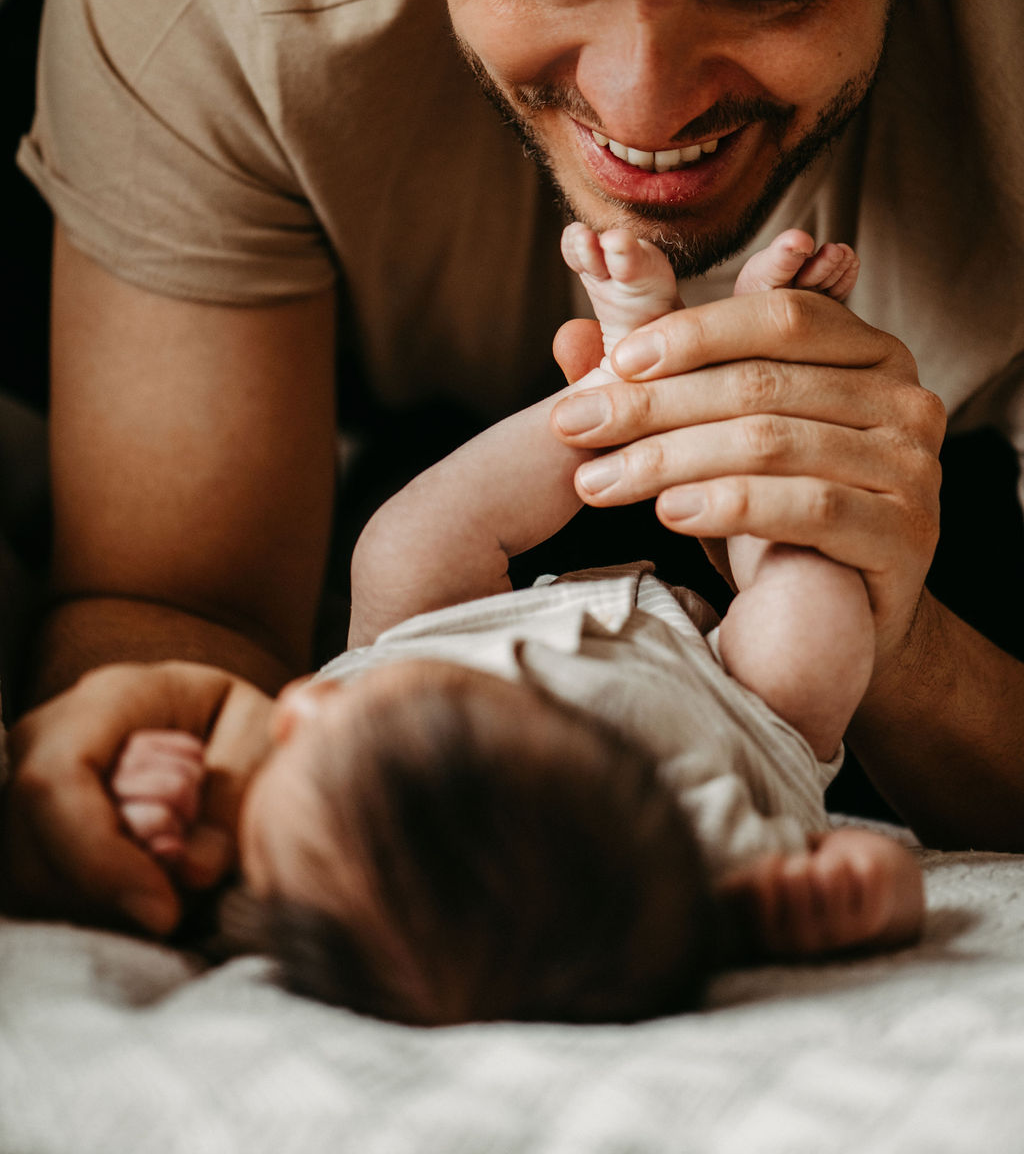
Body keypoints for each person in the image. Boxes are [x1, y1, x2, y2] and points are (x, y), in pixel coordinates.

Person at [3, 0, 1024, 933]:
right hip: (340, 377)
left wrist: (898, 626)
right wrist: (164, 744)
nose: (639, 107)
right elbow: (179, 597)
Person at [105, 225, 922, 1023]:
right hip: (731, 698)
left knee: (400, 550)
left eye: (289, 745)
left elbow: (181, 857)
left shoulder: (278, 867)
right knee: (813, 635)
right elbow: (874, 876)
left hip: (449, 633)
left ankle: (618, 385)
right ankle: (753, 380)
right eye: (344, 723)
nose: (297, 707)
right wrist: (844, 894)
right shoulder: (692, 862)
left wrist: (159, 797)